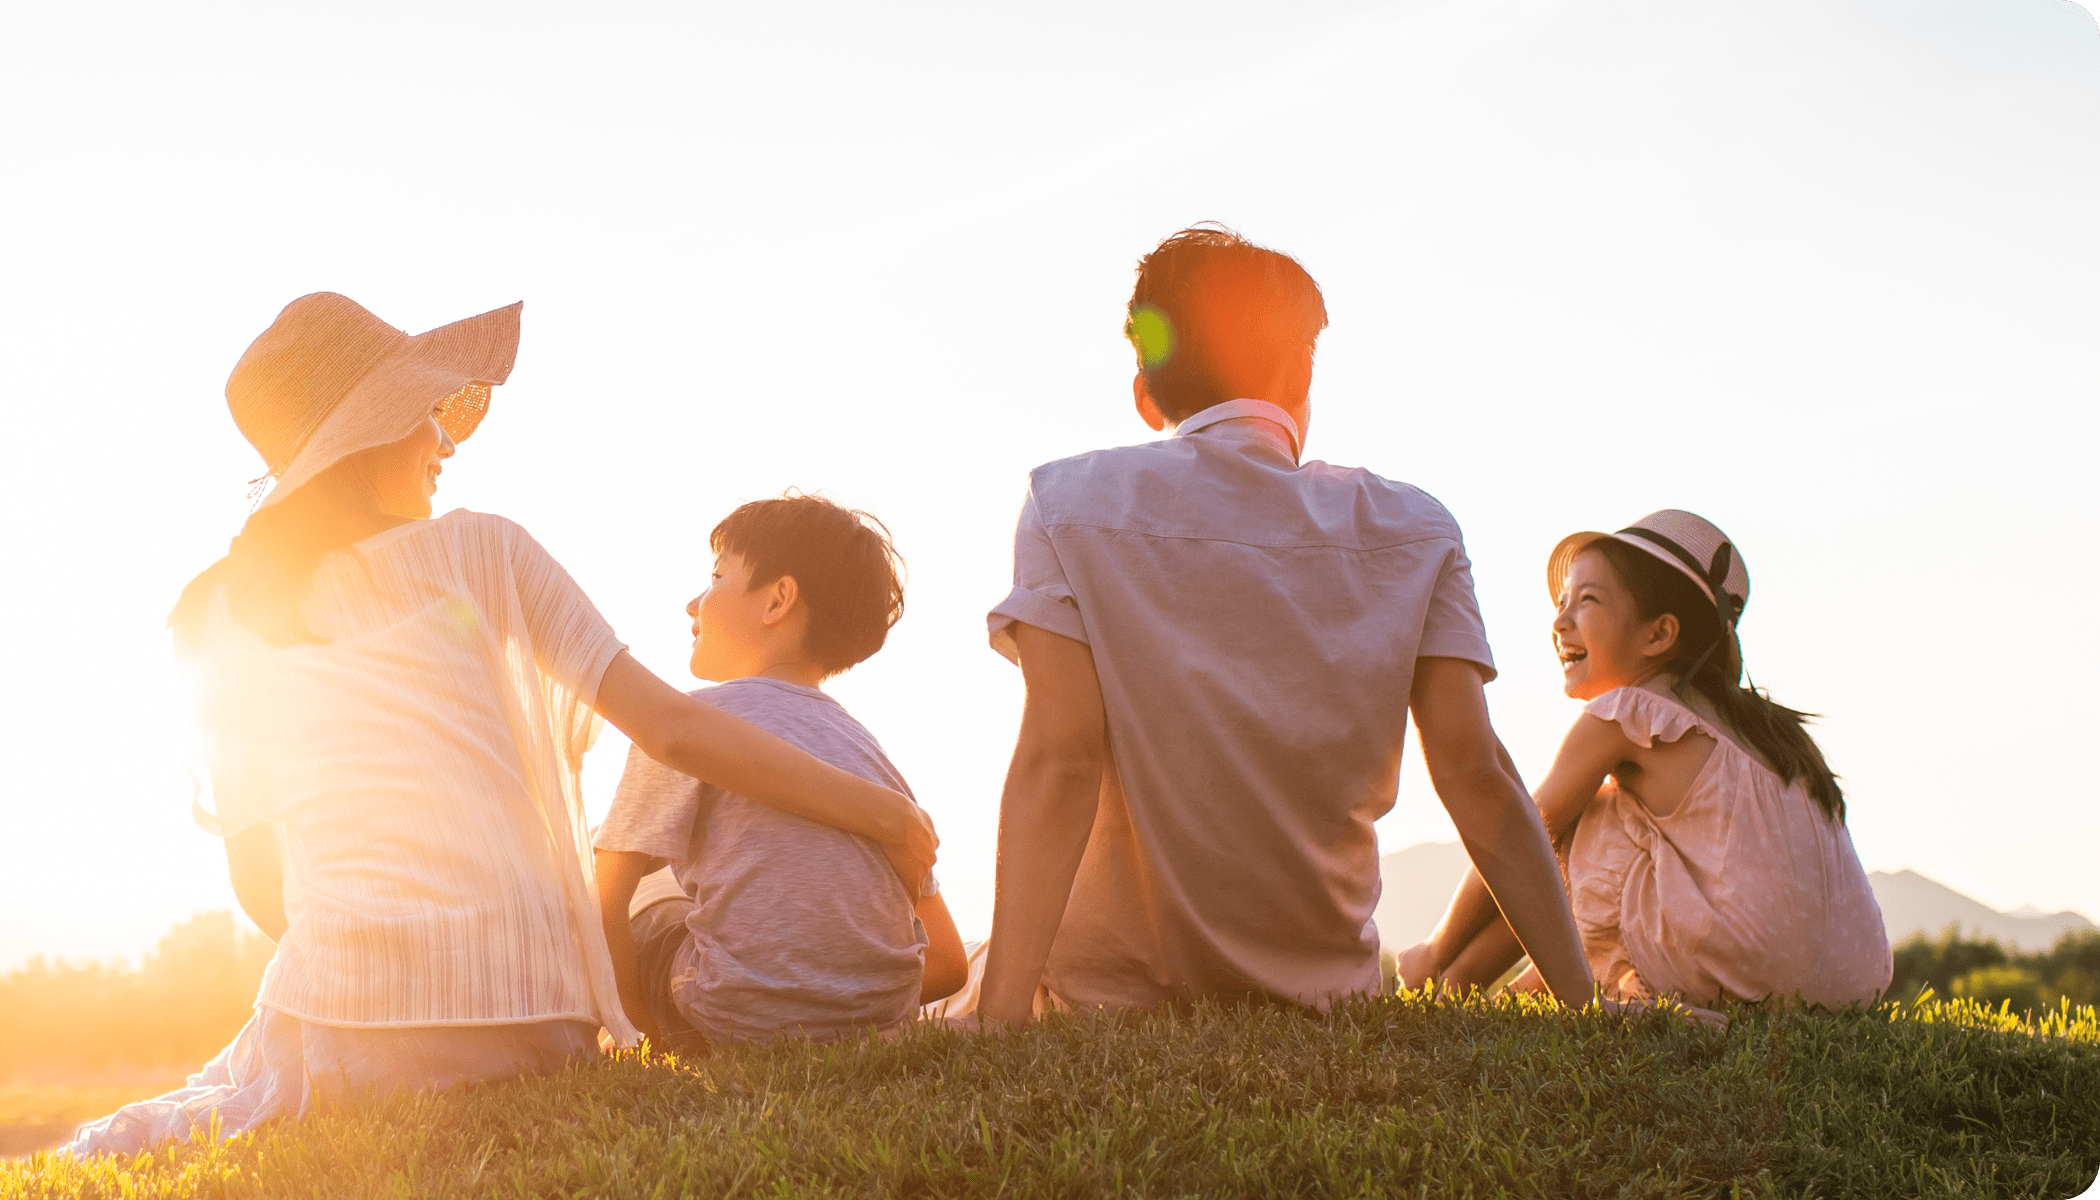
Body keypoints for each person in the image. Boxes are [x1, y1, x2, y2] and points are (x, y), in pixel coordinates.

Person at [61, 294, 937, 1156]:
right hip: (540, 1031)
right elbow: (672, 730)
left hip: (351, 1023)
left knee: (189, 1113)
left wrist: (399, 963)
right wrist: (884, 815)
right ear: (371, 431)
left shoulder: (217, 616)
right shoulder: (488, 550)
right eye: (423, 415)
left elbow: (262, 890)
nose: (445, 439)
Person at [974, 225, 1596, 1020]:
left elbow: (1058, 763)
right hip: (1327, 1002)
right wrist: (1584, 1004)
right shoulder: (1416, 528)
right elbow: (1476, 777)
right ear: (1302, 369)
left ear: (1145, 392)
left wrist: (993, 1021)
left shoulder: (1066, 503)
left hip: (1110, 999)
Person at [1397, 512, 1891, 1005]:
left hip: (1744, 969)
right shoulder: (1763, 730)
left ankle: (1450, 976)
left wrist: (1437, 947)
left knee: (1576, 816)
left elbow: (1517, 829)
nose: (1560, 620)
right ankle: (1473, 986)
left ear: (1659, 635)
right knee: (1615, 815)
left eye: (1587, 600)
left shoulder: (1629, 712)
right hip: (1849, 982)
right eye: (1561, 601)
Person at [590, 495, 970, 1053]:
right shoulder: (872, 759)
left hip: (726, 1011)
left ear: (778, 599)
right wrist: (843, 1009)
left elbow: (605, 901)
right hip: (875, 1024)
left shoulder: (687, 722)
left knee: (645, 881)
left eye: (716, 577)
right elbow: (950, 964)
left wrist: (644, 1025)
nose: (692, 602)